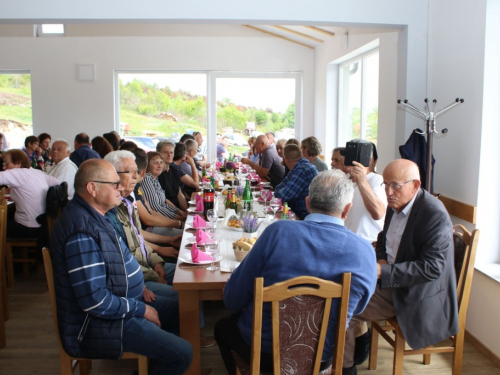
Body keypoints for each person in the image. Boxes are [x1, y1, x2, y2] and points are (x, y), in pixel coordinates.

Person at [214, 169, 377, 375]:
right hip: (321, 358)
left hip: (264, 355)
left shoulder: (277, 232)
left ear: (308, 203)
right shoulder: (364, 252)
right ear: (347, 210)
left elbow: (232, 300)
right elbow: (357, 308)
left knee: (222, 328)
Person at [50, 159, 192, 375]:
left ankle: (155, 364)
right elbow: (95, 301)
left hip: (124, 300)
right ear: (92, 188)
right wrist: (141, 309)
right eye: (114, 184)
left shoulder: (97, 216)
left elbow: (117, 260)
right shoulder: (81, 231)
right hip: (99, 324)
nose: (121, 188)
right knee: (183, 353)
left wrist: (136, 282)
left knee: (186, 310)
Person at [342, 159, 458, 375]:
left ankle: (346, 368)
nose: (388, 191)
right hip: (392, 280)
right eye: (385, 184)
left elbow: (432, 268)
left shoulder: (434, 214)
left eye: (395, 185)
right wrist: (382, 259)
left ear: (415, 185)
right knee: (345, 285)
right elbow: (383, 238)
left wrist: (383, 271)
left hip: (416, 293)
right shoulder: (397, 203)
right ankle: (356, 349)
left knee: (344, 307)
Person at [104, 150, 178, 281]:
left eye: (136, 171)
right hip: (138, 277)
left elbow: (138, 238)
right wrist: (154, 275)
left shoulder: (126, 202)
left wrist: (156, 262)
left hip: (147, 265)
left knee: (194, 272)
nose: (135, 176)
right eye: (130, 172)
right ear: (113, 176)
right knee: (187, 297)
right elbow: (124, 260)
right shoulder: (108, 211)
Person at [0, 149, 60, 238]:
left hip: (27, 227)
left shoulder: (18, 173)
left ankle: (6, 251)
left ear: (18, 163)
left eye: (6, 163)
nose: (4, 167)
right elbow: (58, 183)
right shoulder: (37, 172)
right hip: (43, 225)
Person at [274, 144, 318, 220]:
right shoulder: (299, 167)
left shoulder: (302, 170)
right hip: (299, 215)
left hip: (305, 218)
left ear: (286, 159)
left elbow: (283, 196)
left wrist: (279, 191)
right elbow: (278, 188)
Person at [141, 151, 186, 221]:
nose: (159, 166)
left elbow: (164, 203)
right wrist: (178, 218)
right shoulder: (146, 178)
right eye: (156, 163)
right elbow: (155, 208)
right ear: (147, 165)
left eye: (161, 162)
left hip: (163, 219)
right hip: (156, 222)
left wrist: (179, 212)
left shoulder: (155, 179)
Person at [156, 141, 189, 211]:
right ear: (158, 154)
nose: (169, 155)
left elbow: (180, 195)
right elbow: (163, 200)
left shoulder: (174, 169)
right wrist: (180, 213)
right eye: (165, 152)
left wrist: (186, 212)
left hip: (179, 210)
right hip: (166, 211)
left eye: (171, 152)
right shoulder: (156, 173)